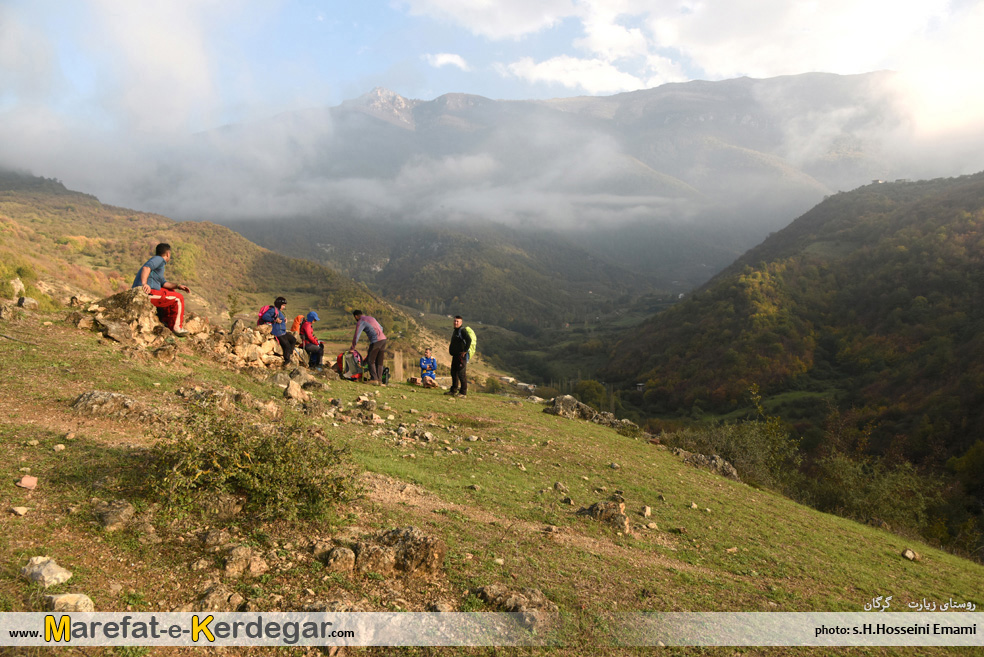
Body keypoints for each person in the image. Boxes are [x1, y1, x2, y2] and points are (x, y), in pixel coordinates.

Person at [132, 242, 190, 336]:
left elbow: (164, 283)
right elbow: (146, 268)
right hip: (146, 293)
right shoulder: (159, 259)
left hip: (150, 291)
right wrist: (144, 284)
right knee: (178, 298)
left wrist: (178, 286)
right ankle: (176, 328)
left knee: (172, 292)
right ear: (168, 254)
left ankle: (166, 321)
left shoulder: (158, 265)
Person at [350, 310, 387, 384]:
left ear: (356, 316)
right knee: (379, 361)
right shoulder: (371, 318)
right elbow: (381, 328)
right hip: (383, 339)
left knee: (370, 360)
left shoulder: (360, 321)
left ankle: (374, 379)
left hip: (376, 341)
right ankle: (379, 380)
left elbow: (356, 335)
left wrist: (352, 348)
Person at [260, 296, 296, 368]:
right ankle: (287, 361)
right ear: (279, 305)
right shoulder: (273, 310)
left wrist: (284, 320)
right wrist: (274, 320)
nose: (284, 307)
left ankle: (290, 354)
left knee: (293, 339)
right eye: (283, 305)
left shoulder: (279, 311)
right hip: (277, 332)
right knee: (286, 345)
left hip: (282, 331)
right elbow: (264, 317)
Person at [447, 315, 475, 397]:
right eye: (455, 321)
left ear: (461, 322)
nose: (455, 322)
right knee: (453, 373)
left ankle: (463, 393)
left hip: (461, 357)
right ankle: (453, 390)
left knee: (461, 374)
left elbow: (469, 340)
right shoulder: (455, 331)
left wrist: (465, 351)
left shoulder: (462, 331)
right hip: (455, 356)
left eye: (457, 321)